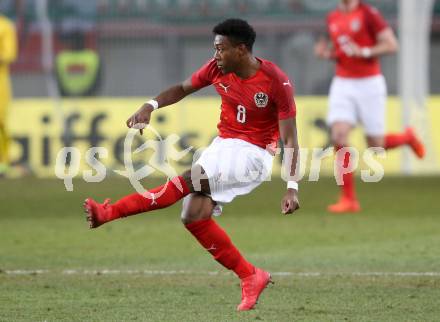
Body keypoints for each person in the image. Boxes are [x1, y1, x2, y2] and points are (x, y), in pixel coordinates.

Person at [84, 18, 300, 311]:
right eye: (214, 49)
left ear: (241, 49)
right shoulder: (216, 69)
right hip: (223, 145)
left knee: (188, 180)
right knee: (194, 215)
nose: (215, 56)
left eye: (221, 49)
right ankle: (251, 276)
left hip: (253, 155)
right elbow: (182, 88)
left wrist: (291, 187)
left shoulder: (276, 80)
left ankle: (108, 213)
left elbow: (290, 139)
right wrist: (150, 106)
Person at [314, 0, 425, 213]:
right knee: (339, 136)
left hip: (369, 83)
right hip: (343, 83)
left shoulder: (368, 14)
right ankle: (348, 199)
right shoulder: (333, 18)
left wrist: (364, 51)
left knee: (376, 144)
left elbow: (392, 44)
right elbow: (342, 52)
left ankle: (408, 138)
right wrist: (326, 54)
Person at [0, 13, 17, 176]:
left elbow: (8, 55)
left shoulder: (5, 26)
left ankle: (3, 163)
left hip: (0, 83)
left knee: (1, 122)